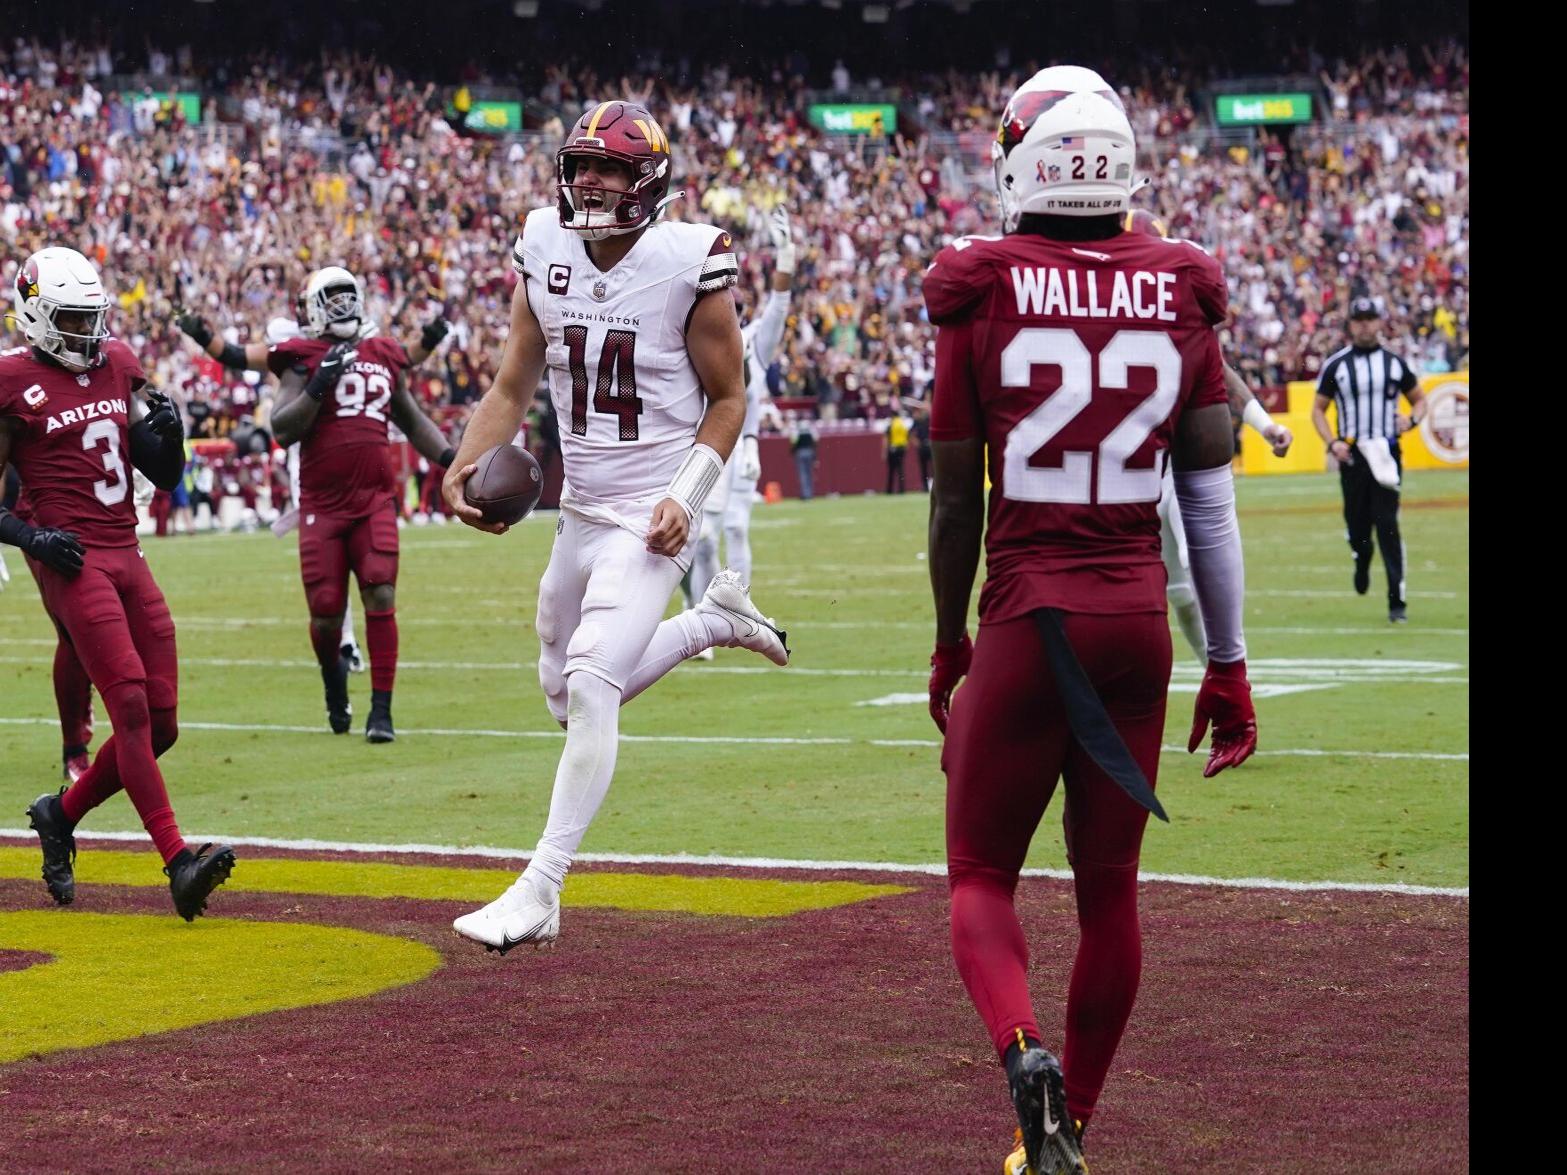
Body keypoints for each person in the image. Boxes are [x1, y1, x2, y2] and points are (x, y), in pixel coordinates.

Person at [921, 68, 1257, 1175]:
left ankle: (1023, 1054)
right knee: (1109, 888)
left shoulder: (980, 287)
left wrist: (950, 635)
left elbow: (956, 494)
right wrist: (1230, 662)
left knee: (979, 873)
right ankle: (1074, 1126)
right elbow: (1206, 501)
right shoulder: (1178, 286)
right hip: (1133, 622)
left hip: (1029, 617)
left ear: (1023, 159)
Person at [442, 100, 790, 953]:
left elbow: (729, 398)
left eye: (609, 168)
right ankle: (716, 620)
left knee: (595, 682)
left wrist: (689, 493)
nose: (589, 180)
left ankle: (540, 885)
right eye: (580, 164)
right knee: (564, 698)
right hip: (580, 510)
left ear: (648, 184)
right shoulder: (544, 247)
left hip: (649, 516)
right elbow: (512, 384)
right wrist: (458, 466)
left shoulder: (688, 260)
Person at [0, 246, 236, 919]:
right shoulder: (12, 379)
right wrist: (32, 538)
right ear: (36, 316)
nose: (87, 333)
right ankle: (178, 860)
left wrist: (175, 439)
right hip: (70, 556)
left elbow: (162, 474)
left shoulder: (118, 362)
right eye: (72, 320)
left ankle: (60, 814)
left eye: (91, 318)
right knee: (129, 706)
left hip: (126, 548)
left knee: (162, 723)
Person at [268, 267, 458, 742]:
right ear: (312, 307)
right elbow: (282, 428)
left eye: (346, 296)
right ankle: (335, 691)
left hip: (373, 500)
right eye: (330, 298)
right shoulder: (301, 359)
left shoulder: (380, 354)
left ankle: (382, 712)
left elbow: (413, 422)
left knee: (381, 593)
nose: (341, 306)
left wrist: (452, 460)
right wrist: (318, 384)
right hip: (323, 506)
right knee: (327, 610)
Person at [1123, 207, 1294, 661]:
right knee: (1171, 592)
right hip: (1128, 467)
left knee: (1195, 578)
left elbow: (1219, 369)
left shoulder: (1175, 307)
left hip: (1176, 463)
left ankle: (1225, 678)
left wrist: (1263, 424)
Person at [688, 202, 796, 602]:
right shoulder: (699, 338)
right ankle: (704, 611)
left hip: (743, 443)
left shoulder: (754, 342)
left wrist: (786, 256)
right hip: (708, 440)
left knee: (735, 528)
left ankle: (738, 606)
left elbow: (779, 306)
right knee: (701, 539)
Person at [1312, 295, 1426, 623]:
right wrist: (1332, 442)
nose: (1365, 325)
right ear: (1350, 325)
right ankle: (1362, 557)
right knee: (1358, 526)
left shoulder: (1395, 363)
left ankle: (1397, 602)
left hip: (1386, 452)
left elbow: (1419, 400)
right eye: (1359, 320)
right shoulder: (1337, 365)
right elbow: (1317, 409)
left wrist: (1411, 421)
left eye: (1370, 319)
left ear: (1379, 322)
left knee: (1388, 525)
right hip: (1353, 455)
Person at [791, 416, 819, 499]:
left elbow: (793, 440)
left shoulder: (797, 429)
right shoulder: (810, 428)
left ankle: (805, 494)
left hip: (800, 452)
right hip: (810, 451)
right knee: (809, 473)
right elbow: (816, 439)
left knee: (803, 474)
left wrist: (793, 451)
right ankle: (810, 494)